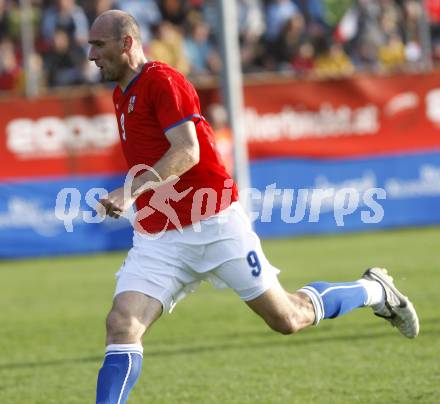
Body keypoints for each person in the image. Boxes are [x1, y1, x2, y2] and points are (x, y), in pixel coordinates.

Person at [88, 10, 419, 404]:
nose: (91, 55)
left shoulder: (163, 81)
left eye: (98, 45)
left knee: (288, 318)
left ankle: (372, 290)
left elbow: (188, 151)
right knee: (122, 324)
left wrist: (130, 191)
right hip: (160, 238)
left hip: (215, 224)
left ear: (126, 43)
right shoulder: (120, 92)